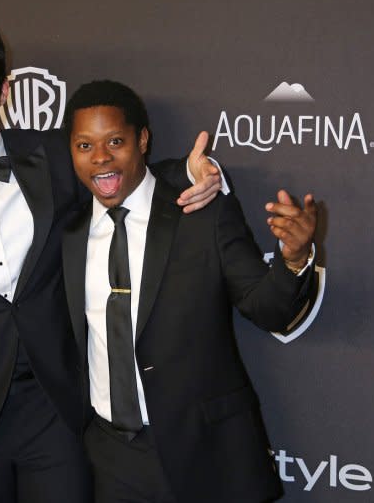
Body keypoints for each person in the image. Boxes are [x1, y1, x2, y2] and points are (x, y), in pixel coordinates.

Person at [0, 19, 223, 503]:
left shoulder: (53, 155)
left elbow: (119, 172)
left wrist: (192, 172)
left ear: (3, 89)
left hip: (55, 417)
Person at [59, 80, 317, 503]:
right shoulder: (68, 233)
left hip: (207, 449)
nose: (100, 158)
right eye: (84, 146)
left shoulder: (201, 212)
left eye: (116, 141)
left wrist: (294, 257)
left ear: (143, 140)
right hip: (110, 456)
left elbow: (266, 309)